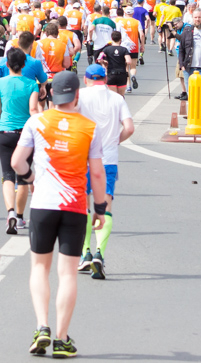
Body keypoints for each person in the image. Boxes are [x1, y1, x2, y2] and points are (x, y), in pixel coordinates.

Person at [11, 70, 108, 359]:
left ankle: (42, 327)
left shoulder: (37, 122)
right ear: (77, 95)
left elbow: (17, 161)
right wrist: (100, 209)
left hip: (42, 204)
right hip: (74, 207)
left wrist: (30, 178)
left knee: (39, 268)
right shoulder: (90, 127)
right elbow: (98, 173)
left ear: (52, 95)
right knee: (67, 274)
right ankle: (62, 339)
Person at [74, 64, 134, 280]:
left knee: (83, 206)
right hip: (108, 160)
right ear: (105, 78)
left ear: (87, 79)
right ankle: (100, 253)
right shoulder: (117, 99)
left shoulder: (79, 96)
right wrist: (115, 141)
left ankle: (85, 254)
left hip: (83, 158)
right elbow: (129, 128)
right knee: (105, 206)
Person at [0, 47, 42, 236]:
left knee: (7, 175)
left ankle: (10, 212)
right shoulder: (31, 84)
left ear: (7, 64)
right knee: (23, 176)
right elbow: (33, 110)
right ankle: (20, 217)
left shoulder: (0, 83)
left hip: (5, 132)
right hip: (25, 134)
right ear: (24, 65)